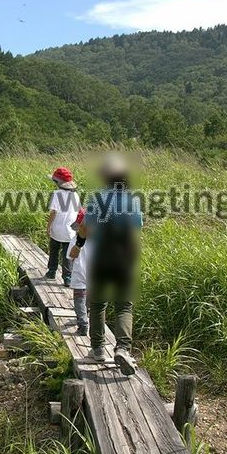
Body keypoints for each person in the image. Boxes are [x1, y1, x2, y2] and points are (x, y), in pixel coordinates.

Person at [83, 154, 143, 376]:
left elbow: (87, 227)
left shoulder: (97, 198)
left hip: (101, 256)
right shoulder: (132, 199)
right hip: (124, 256)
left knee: (98, 304)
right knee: (124, 305)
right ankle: (123, 349)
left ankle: (97, 348)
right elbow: (136, 229)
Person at [46, 166, 81, 287]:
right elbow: (78, 214)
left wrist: (48, 227)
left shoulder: (56, 194)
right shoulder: (75, 195)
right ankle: (67, 278)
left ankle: (51, 272)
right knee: (67, 255)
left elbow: (53, 212)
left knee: (54, 250)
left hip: (57, 230)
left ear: (57, 182)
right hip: (70, 231)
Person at [67, 209, 89, 336]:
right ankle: (87, 315)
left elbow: (70, 257)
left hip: (79, 273)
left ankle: (82, 324)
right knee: (90, 297)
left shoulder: (75, 241)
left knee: (79, 298)